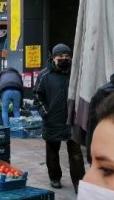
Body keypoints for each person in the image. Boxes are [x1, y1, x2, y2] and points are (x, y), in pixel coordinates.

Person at [33, 43, 85, 190]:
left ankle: (79, 183)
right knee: (52, 152)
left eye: (67, 56)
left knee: (76, 153)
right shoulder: (44, 75)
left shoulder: (76, 74)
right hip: (52, 119)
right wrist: (45, 113)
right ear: (53, 57)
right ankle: (55, 177)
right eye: (61, 56)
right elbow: (37, 95)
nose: (64, 59)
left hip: (73, 119)